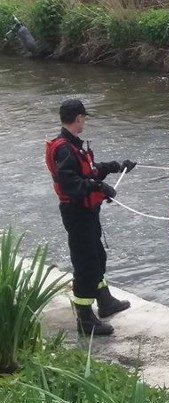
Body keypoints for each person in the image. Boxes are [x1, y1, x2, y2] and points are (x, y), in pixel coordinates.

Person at [45, 98, 136, 336]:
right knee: (86, 264)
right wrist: (99, 187)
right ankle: (85, 320)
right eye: (84, 118)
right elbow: (71, 183)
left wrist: (118, 166)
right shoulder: (65, 148)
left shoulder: (72, 145)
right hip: (77, 213)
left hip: (86, 212)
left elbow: (90, 168)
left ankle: (105, 301)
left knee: (97, 256)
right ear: (78, 119)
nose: (84, 121)